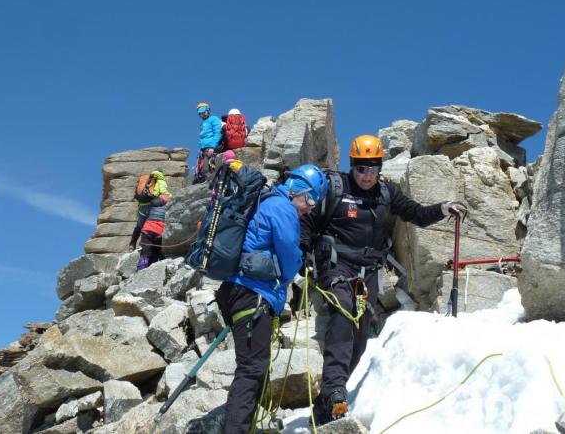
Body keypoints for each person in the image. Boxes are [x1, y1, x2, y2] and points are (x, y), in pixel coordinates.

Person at [299, 135, 468, 425]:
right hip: (336, 266)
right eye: (362, 168)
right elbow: (307, 222)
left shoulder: (386, 192)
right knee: (343, 312)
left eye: (373, 169)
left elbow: (416, 213)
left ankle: (327, 404)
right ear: (352, 165)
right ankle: (335, 391)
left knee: (360, 339)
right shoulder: (335, 188)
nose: (367, 175)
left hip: (368, 274)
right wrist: (303, 255)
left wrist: (443, 208)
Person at [215, 164, 329, 434]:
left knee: (254, 368)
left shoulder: (267, 201)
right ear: (298, 190)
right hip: (253, 294)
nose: (309, 209)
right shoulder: (282, 208)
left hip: (239, 292)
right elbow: (289, 259)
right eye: (310, 201)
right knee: (252, 369)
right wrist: (300, 264)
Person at [133, 170, 172, 270]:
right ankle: (157, 270)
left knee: (145, 254)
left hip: (147, 230)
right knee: (156, 254)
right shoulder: (170, 203)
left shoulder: (153, 201)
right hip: (160, 232)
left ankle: (140, 270)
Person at [194, 102, 223, 183]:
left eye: (204, 112)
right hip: (203, 149)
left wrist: (212, 147)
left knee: (207, 168)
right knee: (203, 169)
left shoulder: (214, 119)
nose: (202, 114)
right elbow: (202, 138)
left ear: (208, 110)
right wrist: (200, 150)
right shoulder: (203, 123)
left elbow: (217, 133)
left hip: (210, 148)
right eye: (200, 113)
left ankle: (211, 184)